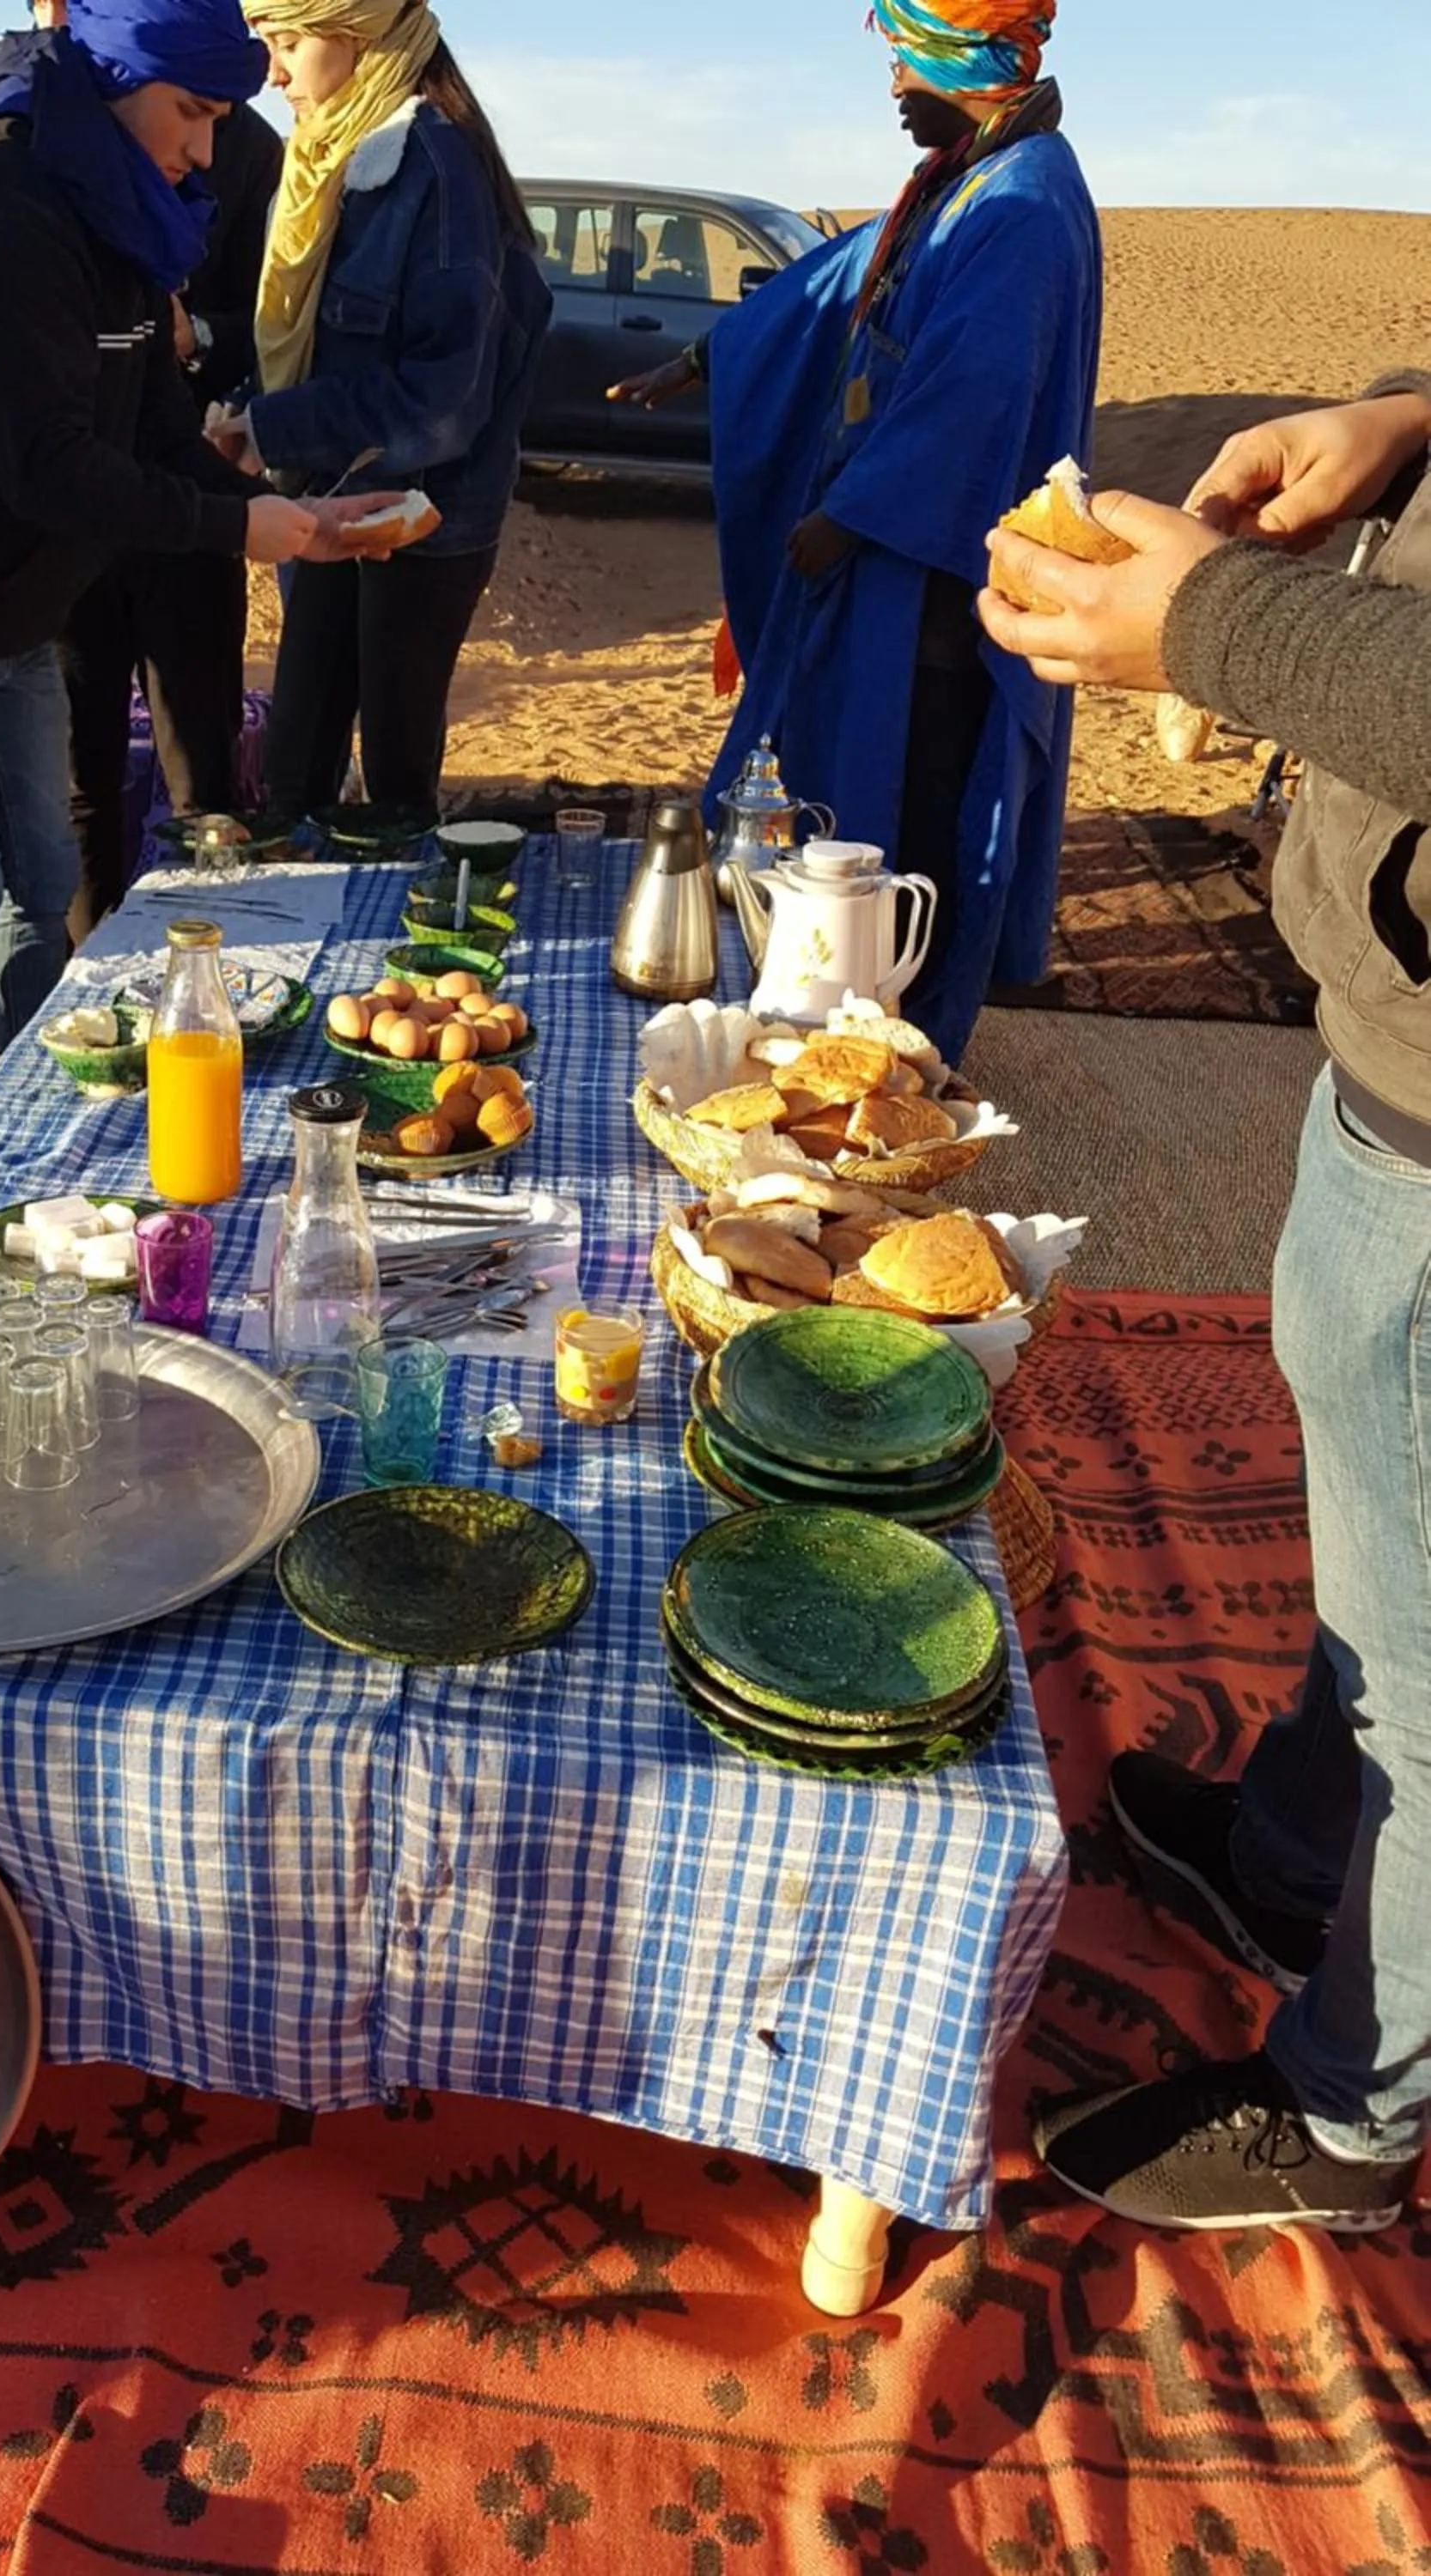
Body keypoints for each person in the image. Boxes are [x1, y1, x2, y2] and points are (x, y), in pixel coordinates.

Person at [977, 381, 1431, 2233]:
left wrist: (1219, 626)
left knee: (1428, 1674)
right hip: (1392, 1058)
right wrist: (1408, 427)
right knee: (1377, 1570)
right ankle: (1289, 1859)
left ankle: (1353, 2118)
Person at [0, 0, 389, 1133]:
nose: (205, 150)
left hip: (19, 597)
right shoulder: (9, 209)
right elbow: (51, 467)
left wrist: (284, 515)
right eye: (193, 113)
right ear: (116, 79)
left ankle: (26, 1102)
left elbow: (157, 429)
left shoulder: (125, 216)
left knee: (39, 870)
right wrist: (234, 533)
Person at [615, 0, 1100, 1065]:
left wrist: (847, 517)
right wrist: (700, 363)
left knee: (911, 828)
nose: (891, 88)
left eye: (903, 61)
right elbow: (834, 285)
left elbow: (974, 396)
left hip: (931, 594)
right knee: (860, 816)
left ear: (959, 57)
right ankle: (847, 1042)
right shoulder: (966, 180)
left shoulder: (1017, 203)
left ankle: (899, 1070)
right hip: (897, 571)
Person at [208, 0, 550, 819]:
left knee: (395, 781)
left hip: (423, 520)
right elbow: (316, 343)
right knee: (295, 772)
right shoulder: (333, 155)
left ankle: (393, 943)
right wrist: (252, 414)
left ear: (357, 34)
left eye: (289, 41)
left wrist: (270, 429)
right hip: (330, 503)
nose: (274, 70)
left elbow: (444, 399)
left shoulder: (433, 169)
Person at [56, 98, 284, 937]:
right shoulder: (43, 143)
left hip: (191, 502)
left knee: (203, 767)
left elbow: (279, 325)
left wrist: (199, 339)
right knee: (80, 767)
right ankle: (88, 966)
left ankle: (213, 967)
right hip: (74, 516)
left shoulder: (254, 150)